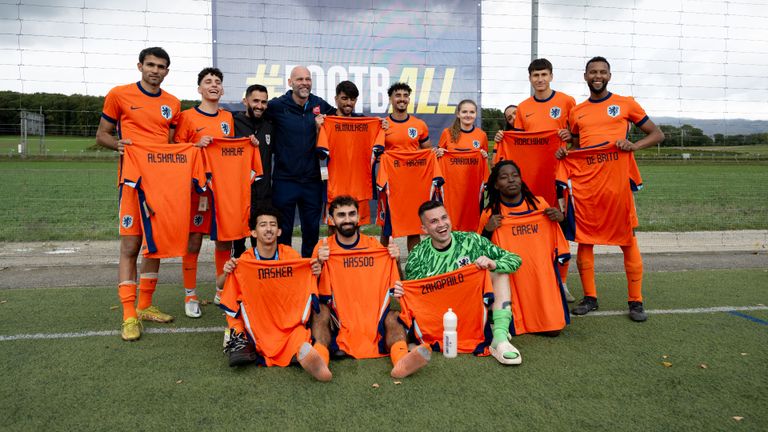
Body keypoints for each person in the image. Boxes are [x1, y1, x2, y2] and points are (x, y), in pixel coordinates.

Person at [560, 56, 665, 322]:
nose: (598, 76)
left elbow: (657, 134)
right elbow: (577, 143)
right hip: (587, 186)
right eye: (593, 72)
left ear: (609, 75)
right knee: (585, 239)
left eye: (602, 72)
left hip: (617, 185)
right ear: (585, 76)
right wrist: (567, 145)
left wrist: (634, 146)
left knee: (627, 239)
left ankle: (636, 301)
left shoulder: (625, 103)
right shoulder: (577, 111)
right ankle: (590, 298)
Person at [95, 47, 180, 341]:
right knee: (130, 247)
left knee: (155, 246)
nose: (155, 70)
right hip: (132, 182)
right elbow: (102, 134)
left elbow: (170, 145)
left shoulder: (173, 104)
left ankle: (145, 305)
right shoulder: (119, 95)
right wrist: (116, 144)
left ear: (167, 71)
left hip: (161, 184)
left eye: (161, 67)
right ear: (140, 66)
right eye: (151, 65)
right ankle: (129, 314)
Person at [311, 196, 431, 378]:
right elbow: (311, 288)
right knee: (321, 312)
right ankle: (319, 360)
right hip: (339, 317)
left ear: (359, 217)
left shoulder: (374, 245)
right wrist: (318, 263)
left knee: (393, 317)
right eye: (341, 215)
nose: (347, 219)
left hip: (372, 315)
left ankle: (401, 360)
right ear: (332, 220)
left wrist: (395, 260)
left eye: (352, 214)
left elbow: (397, 283)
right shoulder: (323, 247)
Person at [394, 201, 524, 364]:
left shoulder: (471, 241)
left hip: (473, 311)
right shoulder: (417, 256)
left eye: (444, 218)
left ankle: (500, 338)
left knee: (499, 273)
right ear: (424, 229)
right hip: (442, 318)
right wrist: (402, 292)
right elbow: (414, 297)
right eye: (434, 221)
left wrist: (493, 263)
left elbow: (515, 259)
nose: (441, 224)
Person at [217, 207, 331, 381]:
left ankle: (310, 359)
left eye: (272, 225)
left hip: (287, 321)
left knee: (300, 337)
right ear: (254, 232)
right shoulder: (245, 260)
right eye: (263, 225)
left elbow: (306, 282)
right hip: (259, 322)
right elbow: (221, 287)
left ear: (279, 231)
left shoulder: (290, 255)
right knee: (238, 310)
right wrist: (227, 273)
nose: (268, 229)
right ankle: (238, 336)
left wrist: (315, 270)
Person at [497, 58, 577, 302]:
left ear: (551, 76)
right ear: (530, 79)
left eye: (544, 74)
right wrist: (504, 136)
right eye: (535, 75)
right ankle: (533, 278)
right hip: (532, 178)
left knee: (559, 228)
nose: (540, 79)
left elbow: (578, 136)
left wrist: (569, 136)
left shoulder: (566, 101)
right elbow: (518, 143)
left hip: (559, 174)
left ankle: (561, 282)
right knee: (536, 229)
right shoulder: (523, 107)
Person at [171, 67, 235, 318]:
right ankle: (190, 294)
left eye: (218, 81)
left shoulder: (228, 118)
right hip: (196, 189)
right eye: (208, 81)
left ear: (222, 89)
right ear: (199, 88)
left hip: (223, 188)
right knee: (194, 240)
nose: (214, 85)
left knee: (224, 239)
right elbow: (177, 151)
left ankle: (221, 291)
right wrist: (195, 145)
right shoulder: (187, 117)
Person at [479, 160, 570, 336]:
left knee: (553, 331)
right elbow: (479, 252)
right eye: (504, 177)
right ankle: (495, 309)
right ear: (496, 185)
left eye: (515, 176)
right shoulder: (490, 213)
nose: (511, 180)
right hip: (512, 279)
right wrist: (487, 231)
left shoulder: (540, 205)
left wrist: (561, 219)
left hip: (540, 277)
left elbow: (561, 241)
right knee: (513, 327)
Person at [265, 66, 335, 258]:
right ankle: (285, 270)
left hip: (312, 180)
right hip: (284, 180)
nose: (304, 83)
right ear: (290, 82)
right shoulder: (277, 105)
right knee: (283, 231)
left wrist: (376, 124)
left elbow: (344, 120)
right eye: (300, 79)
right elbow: (254, 115)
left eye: (308, 79)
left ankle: (309, 275)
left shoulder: (319, 103)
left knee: (311, 231)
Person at [380, 82, 431, 251]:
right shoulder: (383, 125)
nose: (402, 99)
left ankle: (413, 266)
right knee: (387, 227)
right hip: (391, 182)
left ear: (409, 99)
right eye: (398, 95)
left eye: (405, 96)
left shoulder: (419, 125)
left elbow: (427, 152)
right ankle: (384, 265)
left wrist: (434, 154)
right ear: (391, 99)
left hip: (413, 182)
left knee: (413, 226)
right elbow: (376, 152)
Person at [232, 84, 273, 258]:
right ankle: (238, 282)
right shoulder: (232, 123)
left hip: (263, 194)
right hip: (239, 195)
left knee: (262, 243)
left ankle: (260, 282)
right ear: (245, 101)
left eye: (264, 102)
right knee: (238, 244)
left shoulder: (270, 126)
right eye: (255, 101)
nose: (260, 105)